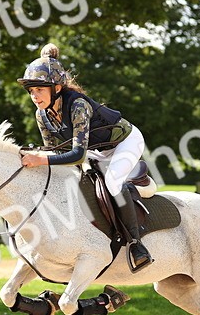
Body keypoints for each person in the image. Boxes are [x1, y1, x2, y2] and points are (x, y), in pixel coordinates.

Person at [17, 42, 153, 271]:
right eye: (31, 91)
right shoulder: (42, 115)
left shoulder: (78, 105)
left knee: (111, 182)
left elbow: (77, 155)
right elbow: (56, 151)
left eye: (39, 89)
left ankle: (135, 243)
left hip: (124, 142)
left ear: (57, 88)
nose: (34, 96)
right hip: (96, 149)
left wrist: (39, 159)